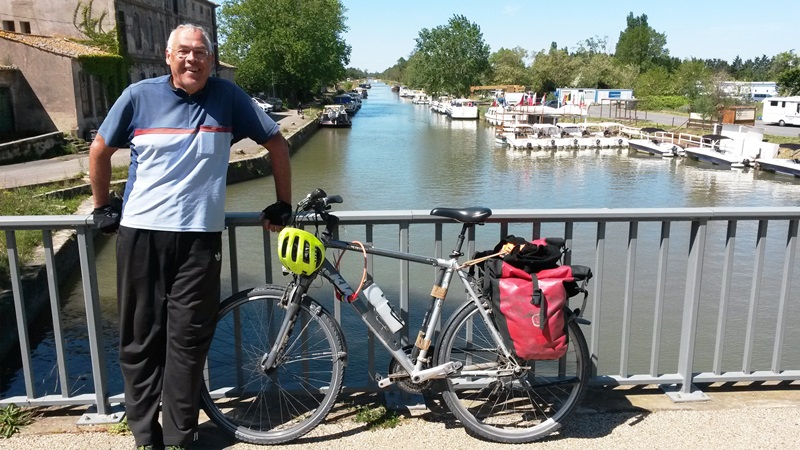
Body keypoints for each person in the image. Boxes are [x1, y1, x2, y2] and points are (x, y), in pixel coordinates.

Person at [88, 23, 292, 450]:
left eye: (201, 53)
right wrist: (102, 205)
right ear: (168, 56)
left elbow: (276, 143)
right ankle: (146, 437)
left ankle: (181, 436)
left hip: (199, 240)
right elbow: (100, 150)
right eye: (184, 51)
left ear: (211, 60)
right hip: (142, 234)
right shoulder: (139, 96)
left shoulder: (228, 98)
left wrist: (282, 203)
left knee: (188, 341)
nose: (192, 59)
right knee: (140, 340)